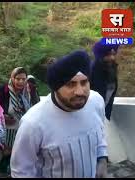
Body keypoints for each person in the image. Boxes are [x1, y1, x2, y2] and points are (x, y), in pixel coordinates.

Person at [10, 50, 108, 178]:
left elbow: (100, 134)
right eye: (70, 84)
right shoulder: (33, 123)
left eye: (84, 82)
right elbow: (21, 171)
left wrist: (102, 159)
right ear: (55, 87)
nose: (80, 91)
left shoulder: (96, 102)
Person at [0, 67, 37, 175]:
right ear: (12, 78)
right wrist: (3, 116)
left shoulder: (30, 89)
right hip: (9, 128)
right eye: (18, 79)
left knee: (22, 152)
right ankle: (3, 170)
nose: (21, 82)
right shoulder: (4, 90)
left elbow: (36, 105)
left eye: (23, 79)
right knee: (7, 151)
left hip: (26, 127)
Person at [90, 41, 120, 120]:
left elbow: (109, 97)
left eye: (114, 54)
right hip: (92, 117)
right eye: (108, 54)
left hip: (105, 116)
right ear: (100, 55)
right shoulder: (90, 72)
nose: (112, 58)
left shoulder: (112, 69)